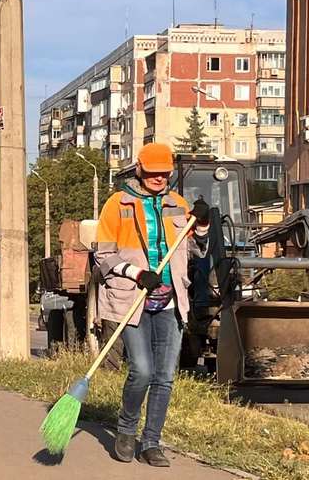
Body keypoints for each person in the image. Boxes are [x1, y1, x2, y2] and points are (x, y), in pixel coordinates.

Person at [94, 143, 209, 468]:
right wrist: (137, 273)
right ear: (140, 171)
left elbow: (197, 251)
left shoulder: (177, 204)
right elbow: (103, 255)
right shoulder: (118, 204)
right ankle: (126, 431)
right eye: (153, 172)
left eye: (164, 172)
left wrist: (201, 225)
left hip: (170, 302)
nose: (159, 178)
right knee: (142, 371)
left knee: (164, 376)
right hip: (133, 300)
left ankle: (152, 442)